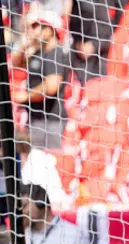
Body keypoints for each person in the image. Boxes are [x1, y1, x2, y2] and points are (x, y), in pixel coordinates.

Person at [11, 10, 70, 150]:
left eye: (38, 26)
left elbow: (51, 86)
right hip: (36, 119)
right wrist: (24, 44)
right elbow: (16, 64)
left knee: (48, 163)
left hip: (50, 122)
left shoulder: (55, 53)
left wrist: (26, 96)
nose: (34, 30)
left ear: (49, 30)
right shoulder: (39, 52)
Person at [21, 183, 91, 244]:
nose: (21, 212)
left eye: (24, 206)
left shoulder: (73, 235)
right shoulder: (22, 235)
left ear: (41, 204)